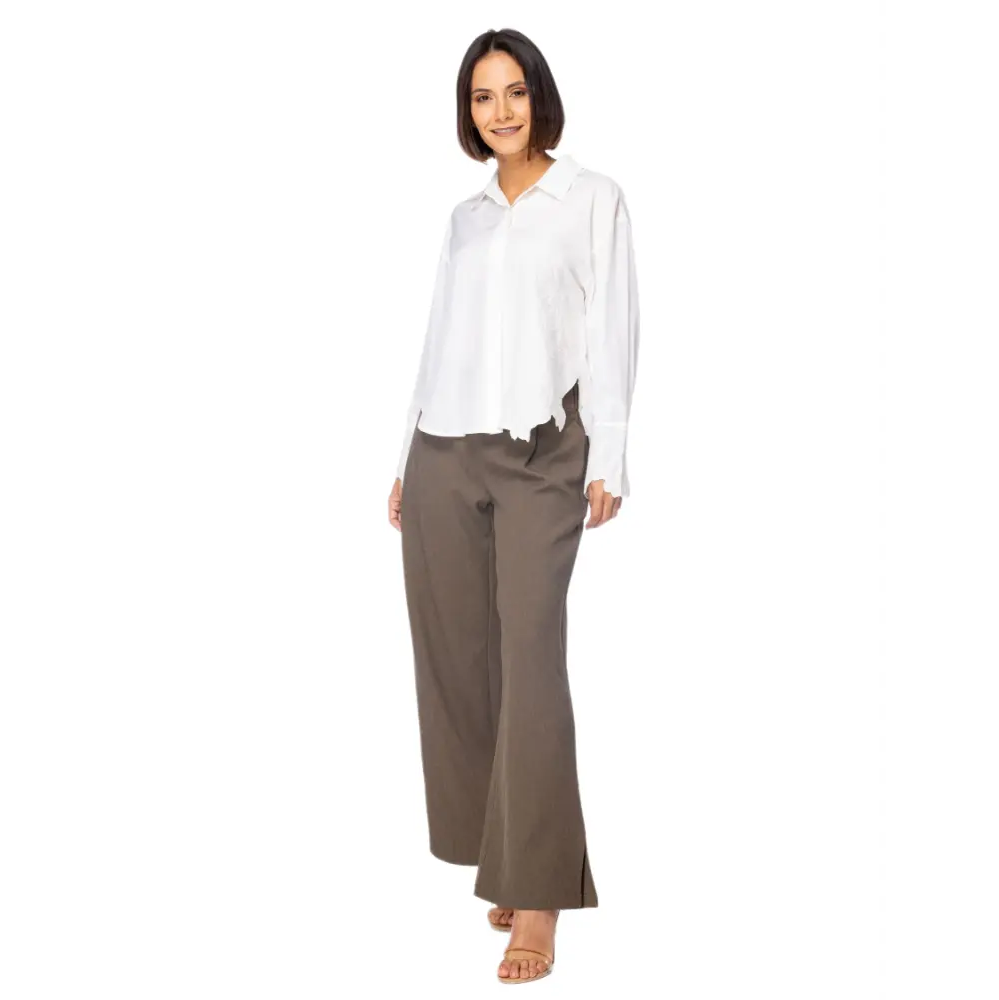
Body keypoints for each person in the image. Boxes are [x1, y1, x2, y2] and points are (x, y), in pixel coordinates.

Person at [386, 27, 639, 985]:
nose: (500, 112)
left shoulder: (592, 199)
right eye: (483, 97)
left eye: (515, 92)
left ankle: (538, 895)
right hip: (444, 452)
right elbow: (438, 338)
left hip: (544, 453)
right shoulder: (466, 217)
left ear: (541, 97)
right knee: (458, 662)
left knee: (530, 662)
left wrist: (610, 452)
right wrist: (403, 457)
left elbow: (612, 326)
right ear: (469, 112)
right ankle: (500, 853)